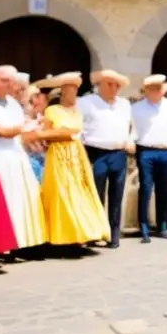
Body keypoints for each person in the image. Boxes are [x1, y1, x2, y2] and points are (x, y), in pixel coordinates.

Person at [36, 73, 111, 247]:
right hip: (58, 154)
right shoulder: (52, 111)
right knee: (62, 193)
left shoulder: (77, 113)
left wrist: (69, 135)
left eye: (76, 91)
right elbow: (45, 137)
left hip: (76, 154)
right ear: (62, 92)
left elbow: (78, 132)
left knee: (80, 191)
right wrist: (61, 135)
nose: (73, 95)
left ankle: (83, 231)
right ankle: (63, 235)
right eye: (70, 91)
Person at [78, 70, 134, 248]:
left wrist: (130, 141)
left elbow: (132, 127)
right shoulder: (86, 103)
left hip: (118, 152)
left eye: (117, 85)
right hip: (96, 152)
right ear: (99, 84)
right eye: (109, 84)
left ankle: (114, 235)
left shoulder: (124, 104)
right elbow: (79, 129)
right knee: (96, 194)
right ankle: (95, 233)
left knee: (117, 195)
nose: (114, 88)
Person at [0, 65, 46, 253]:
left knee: (21, 200)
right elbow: (1, 131)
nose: (8, 85)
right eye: (3, 80)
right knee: (4, 202)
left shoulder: (13, 104)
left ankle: (18, 242)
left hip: (17, 155)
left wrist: (32, 127)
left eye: (10, 81)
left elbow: (19, 130)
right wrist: (24, 127)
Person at [131, 75, 167, 243]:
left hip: (165, 151)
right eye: (152, 89)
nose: (155, 92)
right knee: (145, 188)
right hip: (146, 151)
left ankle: (163, 226)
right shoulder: (137, 108)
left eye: (158, 88)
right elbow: (131, 128)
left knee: (164, 190)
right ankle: (144, 227)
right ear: (146, 91)